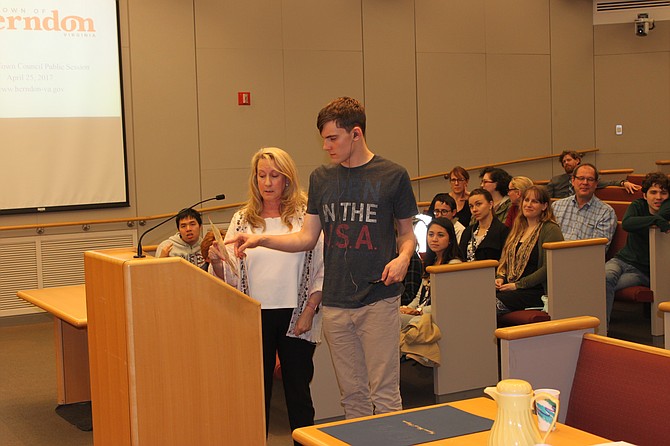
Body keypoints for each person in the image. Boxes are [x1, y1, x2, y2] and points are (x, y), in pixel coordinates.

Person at [227, 97, 417, 419]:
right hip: (337, 302)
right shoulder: (321, 179)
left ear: (355, 134)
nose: (326, 146)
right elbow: (306, 238)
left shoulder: (392, 175)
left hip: (379, 298)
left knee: (384, 394)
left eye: (333, 138)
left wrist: (403, 258)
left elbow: (407, 235)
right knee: (352, 395)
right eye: (324, 139)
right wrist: (260, 239)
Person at [208, 147, 324, 441]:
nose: (268, 182)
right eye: (262, 175)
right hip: (253, 315)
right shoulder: (241, 219)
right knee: (255, 395)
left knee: (298, 393)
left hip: (296, 315)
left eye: (274, 175)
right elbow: (229, 278)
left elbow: (322, 266)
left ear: (287, 179)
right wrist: (218, 262)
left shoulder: (305, 216)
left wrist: (310, 309)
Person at [605, 172, 670, 326]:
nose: (658, 197)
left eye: (663, 193)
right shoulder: (638, 205)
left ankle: (601, 330)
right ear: (645, 195)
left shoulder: (667, 210)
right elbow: (628, 223)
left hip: (642, 271)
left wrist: (659, 216)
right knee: (602, 279)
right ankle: (601, 330)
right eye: (653, 192)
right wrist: (656, 220)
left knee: (605, 283)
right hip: (621, 260)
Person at [495, 186, 564, 315]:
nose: (528, 204)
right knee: (478, 298)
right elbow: (505, 258)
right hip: (511, 286)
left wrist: (518, 285)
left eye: (535, 201)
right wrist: (500, 277)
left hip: (535, 291)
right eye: (526, 200)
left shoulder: (550, 229)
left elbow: (548, 268)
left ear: (544, 206)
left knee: (489, 305)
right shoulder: (519, 227)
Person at [400, 218, 461, 329]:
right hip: (421, 312)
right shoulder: (431, 262)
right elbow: (418, 297)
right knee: (395, 316)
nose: (434, 239)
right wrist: (405, 309)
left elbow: (445, 302)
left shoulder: (453, 264)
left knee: (399, 321)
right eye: (431, 235)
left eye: (440, 235)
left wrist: (417, 311)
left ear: (450, 239)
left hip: (439, 315)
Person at [552, 163, 617, 250]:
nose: (585, 183)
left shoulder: (606, 213)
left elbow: (597, 250)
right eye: (581, 178)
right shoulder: (557, 206)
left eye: (590, 179)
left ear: (596, 184)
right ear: (573, 181)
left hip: (583, 260)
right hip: (554, 256)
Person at [546, 150, 641, 198]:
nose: (566, 163)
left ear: (578, 160)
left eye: (569, 160)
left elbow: (608, 183)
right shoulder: (555, 180)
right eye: (564, 162)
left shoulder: (588, 180)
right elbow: (546, 199)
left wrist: (623, 183)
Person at [459, 188, 510, 261]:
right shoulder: (467, 232)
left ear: (490, 204)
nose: (474, 209)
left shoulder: (502, 231)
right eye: (471, 206)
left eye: (478, 204)